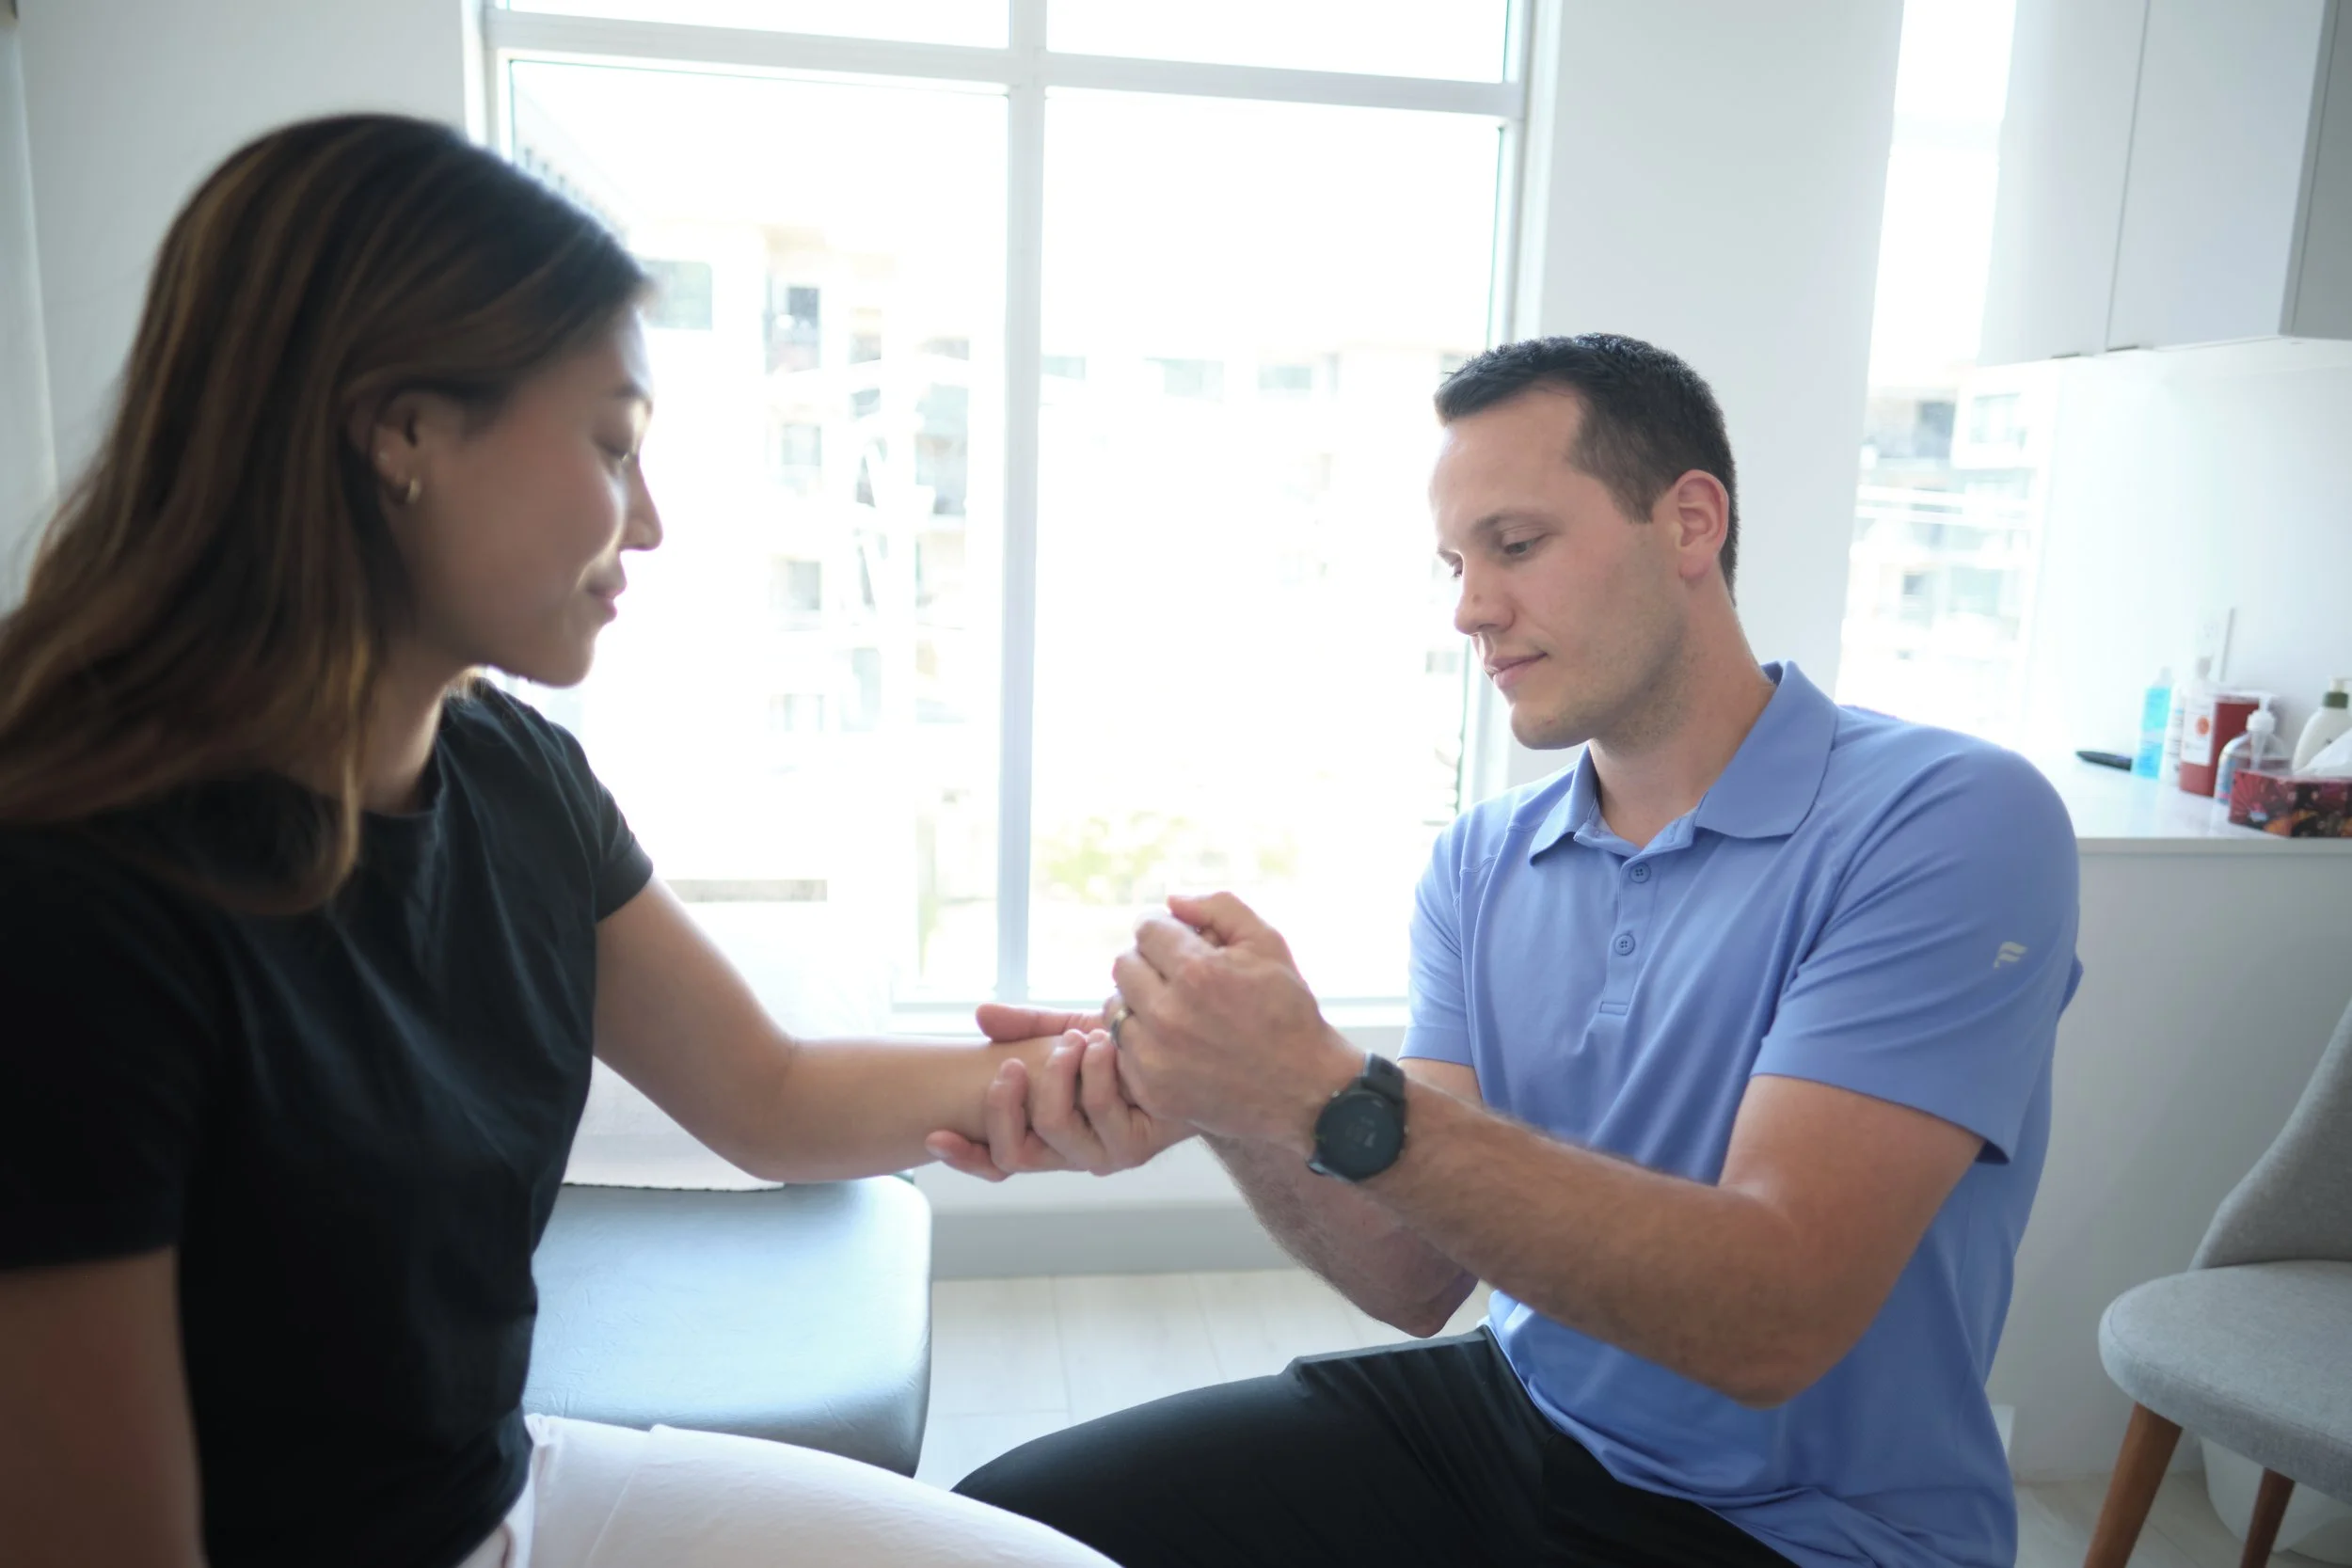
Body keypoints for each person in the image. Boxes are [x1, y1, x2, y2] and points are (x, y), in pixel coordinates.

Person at [0, 114, 1162, 1568]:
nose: (653, 522)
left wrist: (1101, 1079)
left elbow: (771, 1090)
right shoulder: (71, 897)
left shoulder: (506, 775)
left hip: (497, 1488)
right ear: (402, 430)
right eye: (613, 444)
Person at [939, 335, 2083, 1568]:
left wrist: (1320, 1087)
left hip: (1815, 1535)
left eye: (1517, 545)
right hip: (1523, 1420)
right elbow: (1411, 1275)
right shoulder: (1482, 862)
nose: (1471, 607)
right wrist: (1220, 1094)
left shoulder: (1950, 817)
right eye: (1455, 561)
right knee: (992, 1529)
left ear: (1689, 521)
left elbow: (1774, 1318)